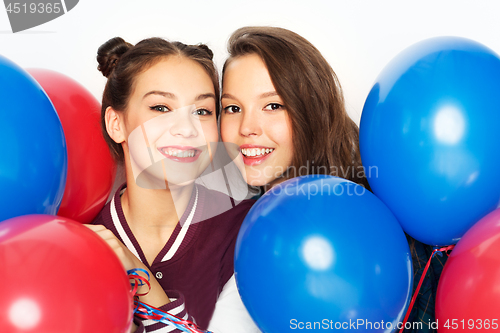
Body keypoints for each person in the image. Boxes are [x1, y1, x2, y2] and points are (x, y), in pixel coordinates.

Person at [219, 26, 446, 332]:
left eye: (273, 105)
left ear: (310, 111)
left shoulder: (383, 229)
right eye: (232, 108)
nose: (247, 127)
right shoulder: (236, 228)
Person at [87, 36, 259, 333]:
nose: (186, 128)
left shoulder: (247, 230)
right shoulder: (81, 240)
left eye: (202, 111)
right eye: (161, 108)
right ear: (117, 124)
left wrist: (138, 276)